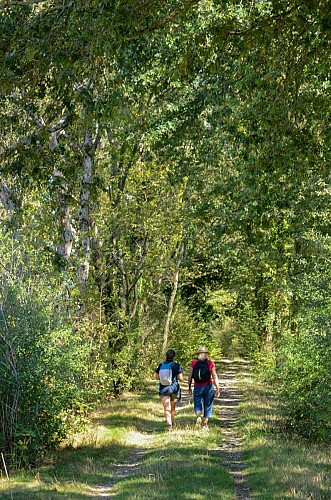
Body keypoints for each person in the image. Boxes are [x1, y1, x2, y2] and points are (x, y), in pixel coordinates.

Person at [188, 346, 220, 431]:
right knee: (208, 404)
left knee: (197, 402)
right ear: (206, 354)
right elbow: (214, 376)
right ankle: (205, 424)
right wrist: (217, 388)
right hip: (208, 386)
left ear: (198, 354)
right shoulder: (210, 363)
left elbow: (190, 376)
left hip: (198, 386)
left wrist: (189, 387)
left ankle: (198, 416)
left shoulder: (193, 363)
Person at [155, 349, 184, 431]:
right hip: (174, 389)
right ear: (174, 356)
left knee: (166, 408)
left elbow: (157, 377)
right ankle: (172, 422)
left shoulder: (161, 365)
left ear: (166, 356)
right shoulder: (176, 365)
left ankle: (169, 425)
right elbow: (181, 379)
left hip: (163, 389)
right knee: (173, 407)